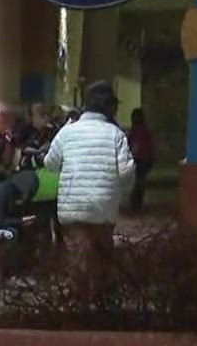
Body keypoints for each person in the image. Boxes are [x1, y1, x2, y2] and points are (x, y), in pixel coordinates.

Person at [44, 81, 138, 272]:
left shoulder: (67, 132)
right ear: (110, 107)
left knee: (78, 257)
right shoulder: (116, 134)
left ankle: (81, 296)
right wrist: (123, 191)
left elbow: (50, 164)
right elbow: (127, 171)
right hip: (103, 206)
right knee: (103, 256)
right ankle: (101, 294)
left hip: (71, 205)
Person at [127, 107, 156, 212]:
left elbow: (136, 146)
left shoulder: (137, 130)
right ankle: (137, 205)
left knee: (137, 183)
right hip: (145, 159)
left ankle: (135, 205)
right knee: (139, 182)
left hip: (139, 160)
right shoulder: (145, 129)